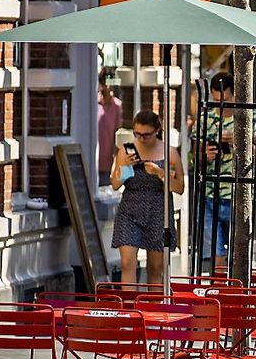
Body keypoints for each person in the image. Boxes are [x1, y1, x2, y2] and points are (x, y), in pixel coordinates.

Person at [111, 109, 185, 284]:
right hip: (130, 209)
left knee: (155, 267)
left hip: (158, 210)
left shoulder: (170, 153)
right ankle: (129, 309)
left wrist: (161, 172)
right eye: (137, 134)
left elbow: (180, 188)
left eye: (146, 135)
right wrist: (125, 167)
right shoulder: (127, 150)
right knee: (127, 262)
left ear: (157, 130)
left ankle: (155, 309)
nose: (141, 139)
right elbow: (115, 184)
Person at [199, 72, 235, 268]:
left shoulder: (247, 116)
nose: (220, 106)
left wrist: (241, 143)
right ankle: (218, 296)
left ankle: (233, 293)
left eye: (226, 101)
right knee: (216, 251)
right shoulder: (205, 118)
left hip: (237, 194)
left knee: (237, 252)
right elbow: (194, 156)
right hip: (210, 193)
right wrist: (205, 153)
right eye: (216, 101)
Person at [97, 70, 122, 186]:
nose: (107, 87)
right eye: (105, 83)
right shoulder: (94, 103)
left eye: (110, 83)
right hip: (93, 159)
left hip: (108, 161)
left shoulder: (117, 106)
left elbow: (118, 132)